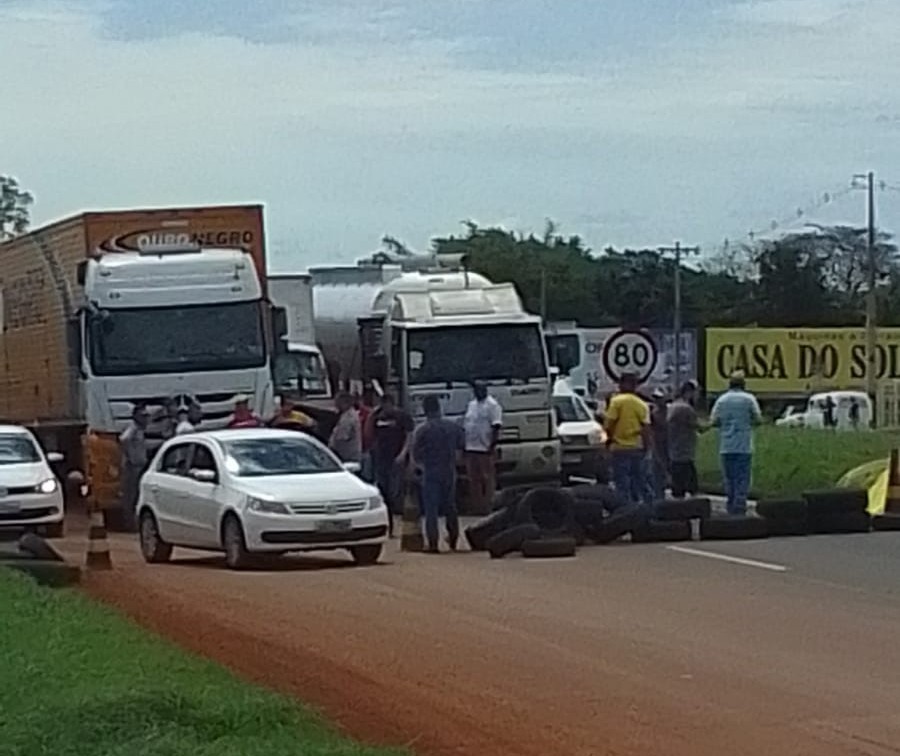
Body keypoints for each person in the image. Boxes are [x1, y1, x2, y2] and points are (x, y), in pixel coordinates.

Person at [412, 394, 465, 553]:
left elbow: (415, 453)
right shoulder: (452, 427)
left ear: (425, 410)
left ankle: (433, 543)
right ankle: (454, 539)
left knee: (431, 509)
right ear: (439, 408)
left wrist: (418, 468)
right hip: (449, 470)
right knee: (450, 506)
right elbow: (461, 447)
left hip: (431, 470)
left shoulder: (422, 429)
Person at [710, 370, 763, 516]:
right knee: (742, 478)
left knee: (729, 478)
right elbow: (758, 419)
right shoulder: (749, 399)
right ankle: (740, 506)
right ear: (743, 384)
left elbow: (714, 421)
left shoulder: (722, 400)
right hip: (744, 445)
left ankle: (730, 505)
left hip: (726, 446)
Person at [366, 392, 414, 537]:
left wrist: (403, 453)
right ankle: (389, 528)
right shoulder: (377, 416)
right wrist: (371, 416)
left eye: (386, 405)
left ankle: (402, 523)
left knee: (395, 492)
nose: (384, 408)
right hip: (381, 460)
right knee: (384, 494)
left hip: (396, 459)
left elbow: (409, 435)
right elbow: (369, 434)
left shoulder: (402, 416)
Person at [603, 372, 652, 507]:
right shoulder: (642, 404)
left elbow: (609, 424)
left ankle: (625, 508)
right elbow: (646, 429)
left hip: (619, 448)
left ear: (623, 384)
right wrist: (647, 448)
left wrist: (607, 443)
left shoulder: (616, 401)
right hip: (637, 447)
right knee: (639, 480)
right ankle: (647, 507)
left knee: (622, 483)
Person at [463, 381, 503, 513]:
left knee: (487, 478)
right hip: (471, 447)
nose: (478, 391)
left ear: (485, 390)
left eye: (480, 389)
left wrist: (492, 446)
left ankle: (488, 506)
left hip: (485, 448)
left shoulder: (493, 405)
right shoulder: (471, 405)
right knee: (473, 479)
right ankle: (477, 506)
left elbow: (496, 426)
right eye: (476, 389)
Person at [667, 381, 702, 499]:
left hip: (674, 449)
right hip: (685, 451)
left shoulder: (673, 406)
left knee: (677, 481)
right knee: (690, 483)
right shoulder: (686, 409)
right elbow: (698, 427)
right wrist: (715, 422)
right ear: (689, 393)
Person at [119, 404, 149, 531]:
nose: (146, 419)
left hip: (140, 466)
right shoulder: (134, 429)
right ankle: (129, 524)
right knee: (132, 496)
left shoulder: (140, 430)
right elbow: (124, 439)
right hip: (133, 467)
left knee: (138, 495)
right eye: (143, 416)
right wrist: (130, 457)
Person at [329, 392, 362, 463]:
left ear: (345, 403)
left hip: (348, 457)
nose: (336, 405)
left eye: (338, 403)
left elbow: (341, 437)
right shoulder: (345, 415)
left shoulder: (348, 418)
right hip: (346, 456)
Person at [649, 388, 669, 500]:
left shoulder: (667, 411)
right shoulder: (654, 412)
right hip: (656, 444)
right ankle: (658, 498)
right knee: (657, 471)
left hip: (667, 443)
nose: (657, 401)